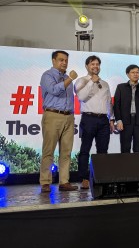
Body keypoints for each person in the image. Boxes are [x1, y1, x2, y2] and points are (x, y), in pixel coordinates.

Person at [39, 50, 78, 193]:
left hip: (68, 116)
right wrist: (70, 80)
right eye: (61, 60)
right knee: (48, 151)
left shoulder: (67, 77)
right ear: (53, 61)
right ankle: (45, 182)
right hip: (53, 115)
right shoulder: (47, 75)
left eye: (66, 60)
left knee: (66, 152)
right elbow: (55, 90)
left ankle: (64, 181)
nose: (64, 63)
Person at [74, 55, 115, 190]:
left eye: (97, 64)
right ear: (87, 66)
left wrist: (111, 119)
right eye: (92, 64)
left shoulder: (105, 84)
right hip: (88, 118)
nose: (95, 66)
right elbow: (81, 97)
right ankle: (84, 178)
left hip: (104, 120)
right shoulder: (81, 81)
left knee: (103, 150)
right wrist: (92, 82)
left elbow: (109, 102)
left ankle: (100, 176)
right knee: (85, 149)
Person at [114, 64, 139, 153]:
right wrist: (118, 120)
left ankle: (137, 167)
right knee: (125, 148)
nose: (135, 74)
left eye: (137, 72)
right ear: (127, 74)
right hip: (125, 121)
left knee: (138, 149)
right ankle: (124, 167)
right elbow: (116, 105)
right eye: (133, 72)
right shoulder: (121, 87)